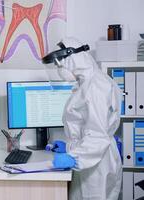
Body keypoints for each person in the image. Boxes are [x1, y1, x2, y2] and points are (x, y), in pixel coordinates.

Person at [42, 37, 122, 200]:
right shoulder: (88, 83)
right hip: (92, 158)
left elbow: (98, 136)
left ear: (73, 59)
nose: (59, 69)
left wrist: (74, 157)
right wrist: (70, 146)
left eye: (59, 63)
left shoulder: (96, 87)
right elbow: (89, 126)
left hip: (95, 163)